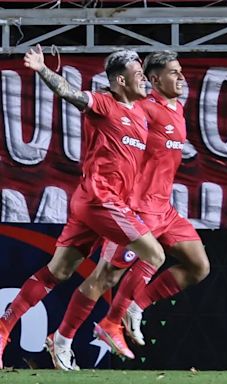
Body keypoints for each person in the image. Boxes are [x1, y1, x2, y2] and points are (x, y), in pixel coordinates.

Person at [0, 45, 167, 370]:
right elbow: (72, 95)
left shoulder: (142, 114)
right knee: (155, 255)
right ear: (120, 80)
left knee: (57, 272)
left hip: (94, 206)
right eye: (137, 74)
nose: (144, 79)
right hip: (102, 201)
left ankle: (3, 327)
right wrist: (42, 70)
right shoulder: (105, 103)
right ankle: (120, 317)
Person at [45, 51, 210, 370]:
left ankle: (135, 307)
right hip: (135, 207)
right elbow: (109, 124)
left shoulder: (177, 111)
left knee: (198, 266)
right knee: (103, 278)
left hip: (164, 209)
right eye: (173, 73)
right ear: (154, 79)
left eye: (181, 71)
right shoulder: (144, 109)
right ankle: (64, 338)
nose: (181, 78)